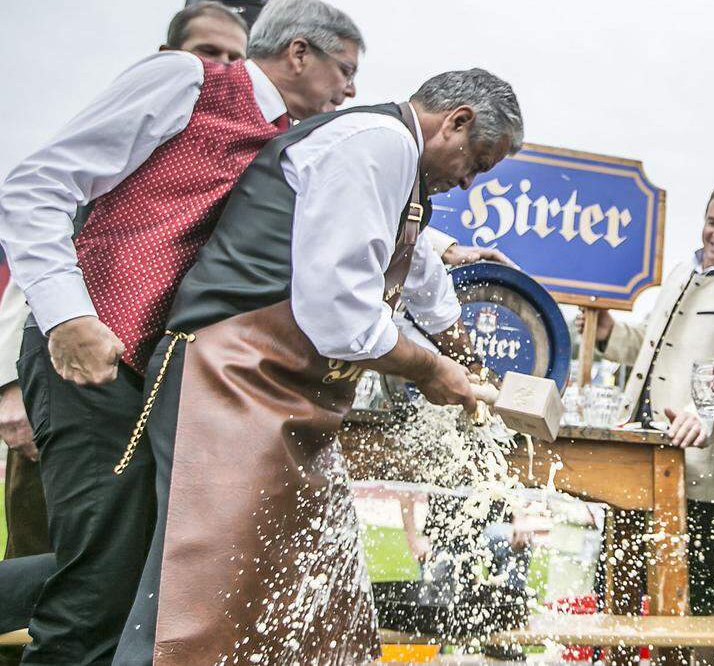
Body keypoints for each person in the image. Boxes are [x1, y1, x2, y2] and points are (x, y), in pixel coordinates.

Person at [0, 0, 361, 661]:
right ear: (299, 51)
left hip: (153, 386)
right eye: (346, 68)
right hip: (92, 359)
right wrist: (70, 316)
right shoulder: (186, 80)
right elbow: (34, 188)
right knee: (97, 592)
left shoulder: (289, 145)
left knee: (130, 571)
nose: (352, 88)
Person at [113, 68, 522, 665]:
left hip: (281, 401)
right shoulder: (378, 142)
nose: (468, 181)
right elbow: (337, 312)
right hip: (226, 381)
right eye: (477, 161)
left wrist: (468, 362)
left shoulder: (405, 181)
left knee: (311, 599)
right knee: (196, 597)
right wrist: (433, 371)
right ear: (456, 120)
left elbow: (425, 282)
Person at [0, 0, 254, 578]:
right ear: (168, 55)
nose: (222, 68)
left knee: (104, 566)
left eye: (236, 58)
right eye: (209, 52)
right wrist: (10, 387)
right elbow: (31, 273)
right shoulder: (119, 148)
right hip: (62, 373)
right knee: (43, 553)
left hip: (120, 380)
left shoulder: (203, 158)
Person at [584, 181, 714, 664]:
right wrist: (607, 333)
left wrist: (702, 417)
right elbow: (644, 343)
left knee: (695, 600)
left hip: (698, 466)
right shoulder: (683, 269)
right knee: (617, 581)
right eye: (713, 221)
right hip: (636, 454)